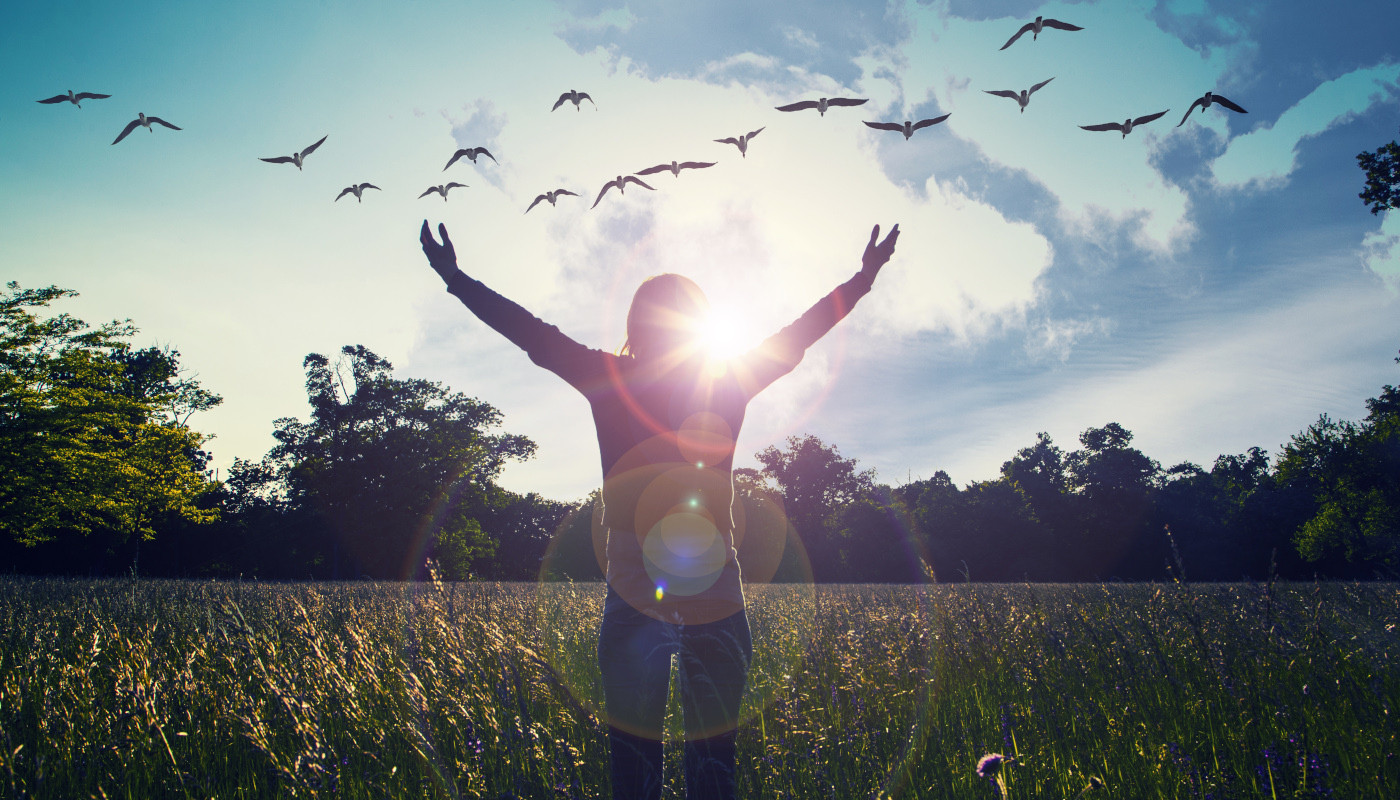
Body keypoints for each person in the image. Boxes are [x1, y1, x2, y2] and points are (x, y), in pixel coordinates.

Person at [419, 219, 900, 800]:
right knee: (709, 764)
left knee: (639, 763)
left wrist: (456, 279)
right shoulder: (721, 377)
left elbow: (532, 334)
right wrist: (864, 278)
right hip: (702, 582)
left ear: (636, 326)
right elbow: (798, 334)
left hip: (650, 580)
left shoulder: (612, 374)